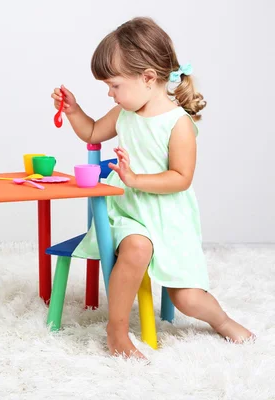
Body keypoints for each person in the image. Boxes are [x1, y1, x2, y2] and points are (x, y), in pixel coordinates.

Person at [51, 17, 254, 359]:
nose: (109, 93)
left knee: (187, 298)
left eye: (114, 85)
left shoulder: (178, 125)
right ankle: (116, 332)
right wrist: (74, 111)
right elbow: (91, 133)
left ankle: (220, 320)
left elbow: (181, 177)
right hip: (127, 210)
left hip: (168, 214)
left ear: (147, 77)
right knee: (137, 248)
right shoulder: (124, 112)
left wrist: (137, 179)